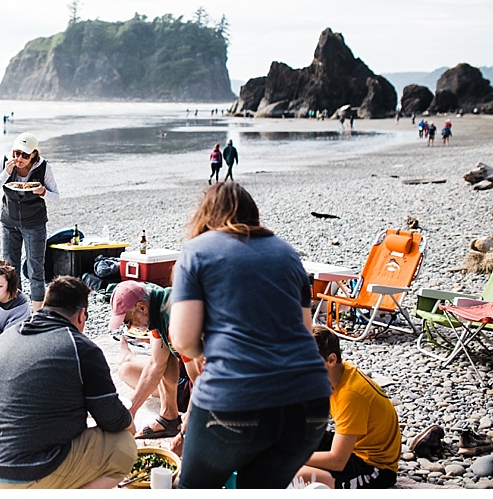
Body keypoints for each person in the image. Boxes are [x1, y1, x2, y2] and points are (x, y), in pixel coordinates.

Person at [169, 182, 332, 489]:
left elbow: (182, 337)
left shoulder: (198, 251)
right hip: (309, 402)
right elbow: (304, 329)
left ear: (206, 216)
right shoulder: (286, 253)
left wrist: (202, 352)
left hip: (236, 397)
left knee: (194, 488)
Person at [0, 277, 136, 489]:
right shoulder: (80, 347)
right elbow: (112, 418)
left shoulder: (8, 336)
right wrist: (129, 423)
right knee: (124, 445)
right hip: (27, 471)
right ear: (82, 314)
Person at [294, 327, 401, 489]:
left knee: (295, 475)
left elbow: (337, 461)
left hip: (374, 468)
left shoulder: (351, 394)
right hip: (353, 447)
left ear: (331, 360)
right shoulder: (337, 375)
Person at [110, 280, 203, 439]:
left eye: (128, 322)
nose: (128, 328)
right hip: (197, 365)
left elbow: (201, 379)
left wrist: (185, 431)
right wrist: (130, 410)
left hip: (228, 375)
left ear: (141, 307)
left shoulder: (176, 319)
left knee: (127, 370)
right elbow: (156, 364)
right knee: (133, 367)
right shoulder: (156, 306)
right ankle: (169, 417)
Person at [0, 132, 60, 312]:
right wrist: (5, 173)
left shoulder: (43, 167)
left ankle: (36, 314)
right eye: (16, 153)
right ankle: (16, 310)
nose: (19, 158)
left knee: (36, 269)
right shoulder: (5, 163)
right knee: (10, 269)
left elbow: (56, 196)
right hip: (9, 222)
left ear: (34, 154)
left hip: (35, 223)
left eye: (25, 155)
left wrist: (43, 192)